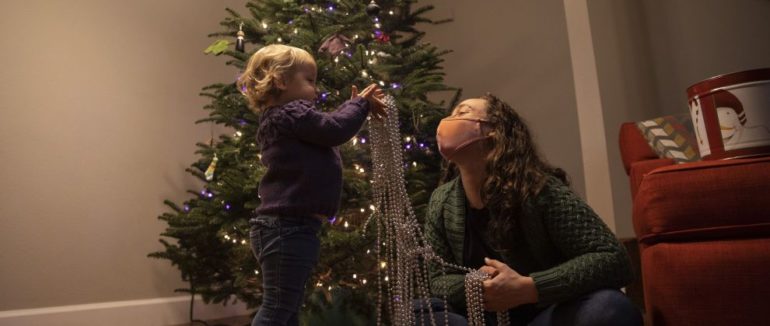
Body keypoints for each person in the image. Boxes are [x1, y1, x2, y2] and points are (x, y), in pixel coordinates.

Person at [419, 93, 642, 326]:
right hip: (481, 319)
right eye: (451, 114)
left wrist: (529, 288)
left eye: (463, 112)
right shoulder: (441, 200)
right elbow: (438, 279)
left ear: (494, 131)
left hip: (544, 316)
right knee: (417, 313)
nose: (448, 121)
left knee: (608, 308)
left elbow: (613, 259)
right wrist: (479, 284)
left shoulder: (539, 190)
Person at [236, 44, 386, 326]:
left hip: (287, 227)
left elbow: (327, 126)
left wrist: (350, 108)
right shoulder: (292, 113)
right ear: (281, 81)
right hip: (288, 228)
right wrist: (359, 105)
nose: (315, 90)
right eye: (309, 80)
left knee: (288, 309)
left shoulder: (281, 117)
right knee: (277, 309)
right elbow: (335, 129)